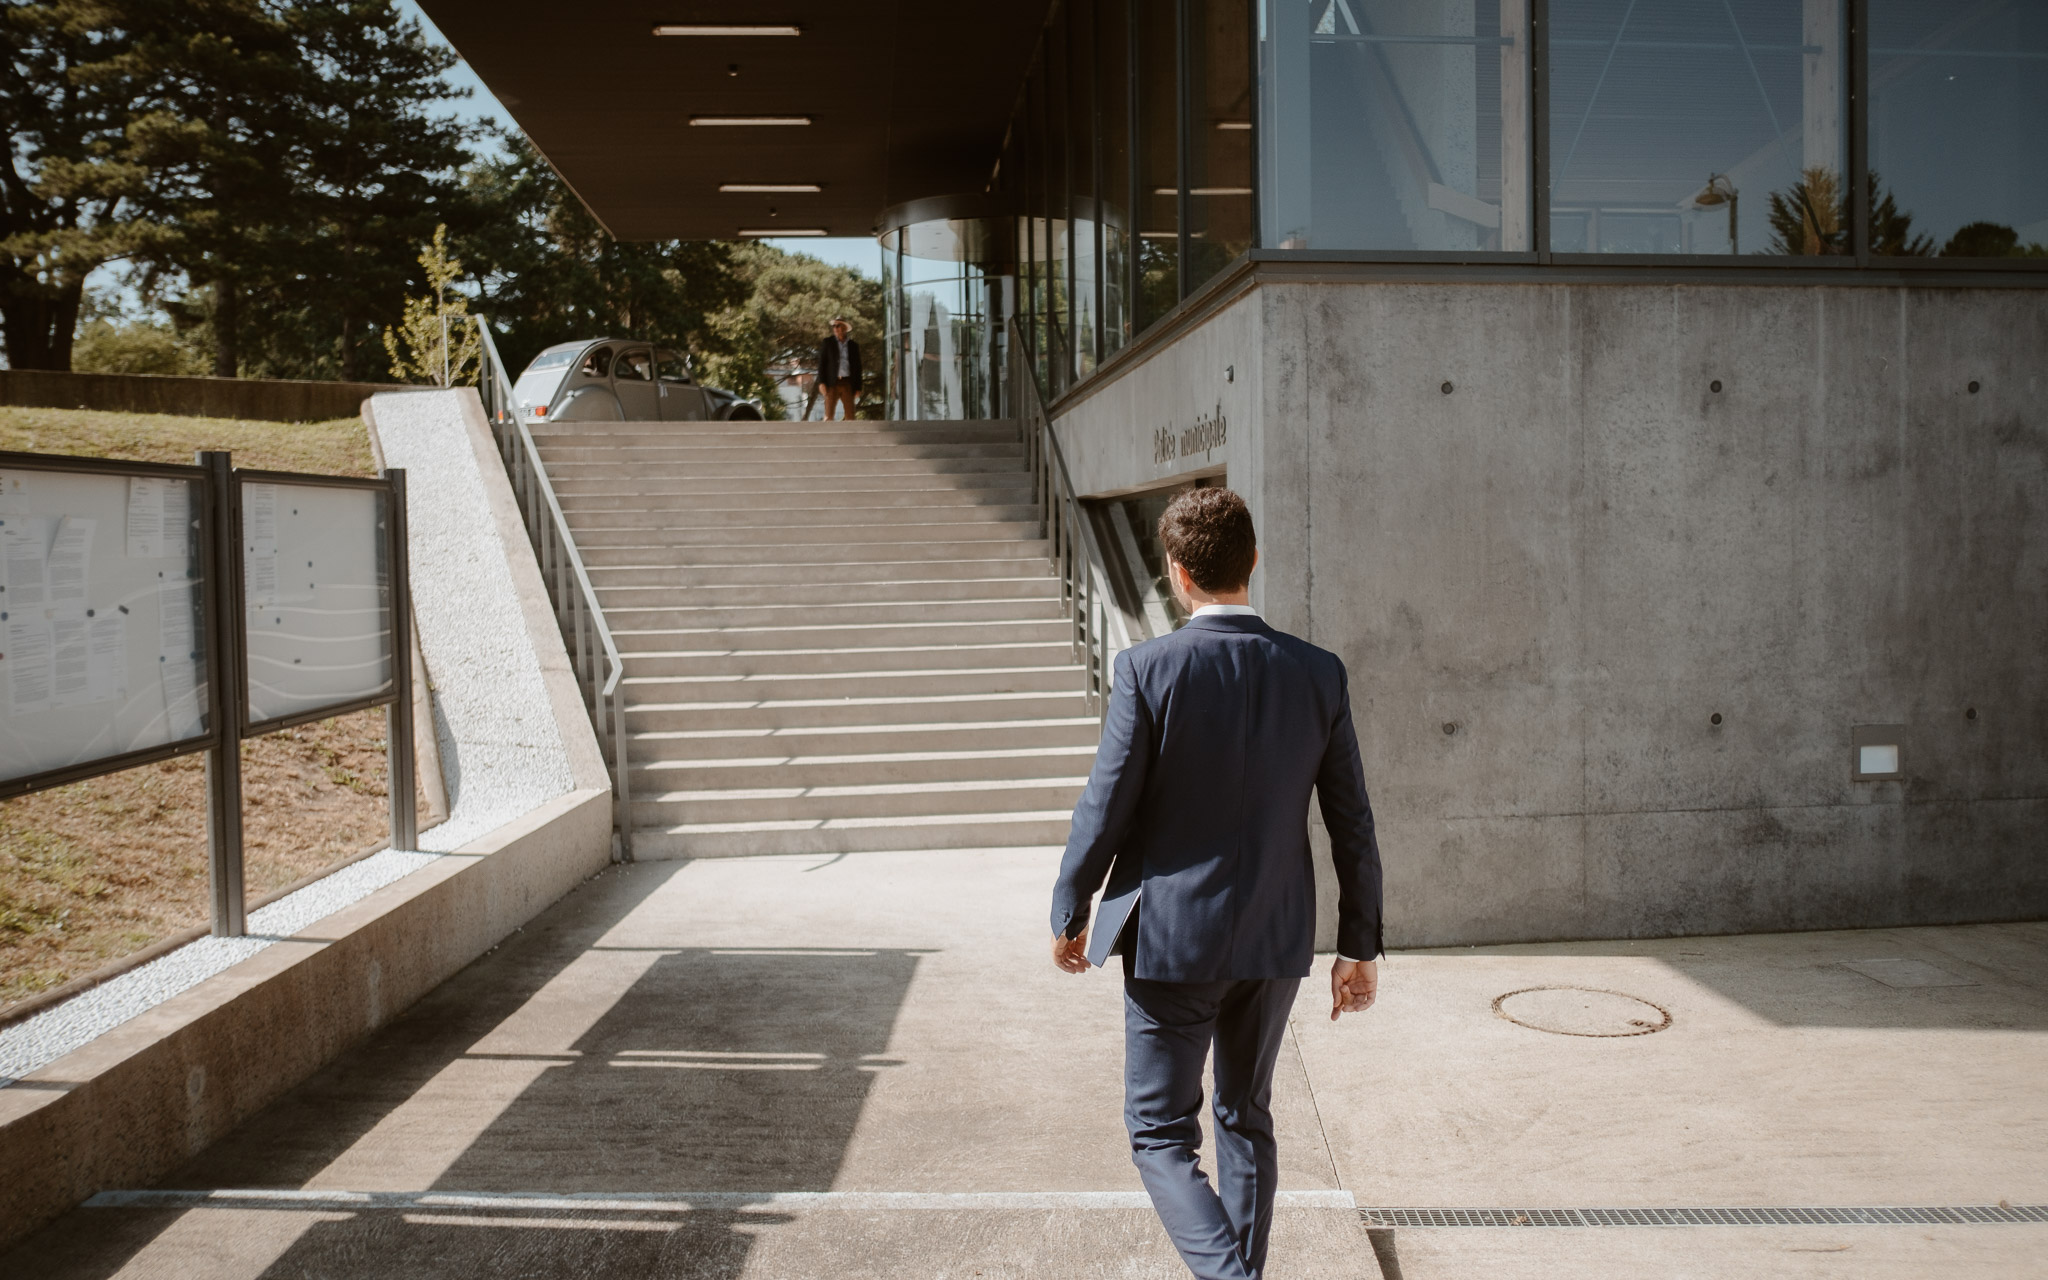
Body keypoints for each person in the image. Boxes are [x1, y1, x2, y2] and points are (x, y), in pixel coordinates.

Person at [1049, 486, 1383, 1280]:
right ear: (1253, 561)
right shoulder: (1318, 673)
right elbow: (1352, 822)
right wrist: (1359, 947)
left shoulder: (1148, 669)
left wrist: (1071, 903)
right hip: (1275, 939)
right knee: (1245, 1117)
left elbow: (1107, 801)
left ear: (1177, 572)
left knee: (1160, 1132)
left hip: (1172, 940)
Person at [816, 317, 862, 420]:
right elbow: (821, 364)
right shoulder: (827, 342)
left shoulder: (853, 346)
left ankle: (851, 436)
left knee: (850, 415)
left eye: (838, 325)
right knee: (828, 415)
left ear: (845, 328)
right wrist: (821, 382)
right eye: (834, 326)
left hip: (848, 383)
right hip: (832, 383)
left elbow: (858, 367)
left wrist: (858, 387)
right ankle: (827, 436)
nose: (835, 328)